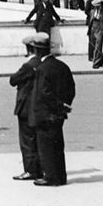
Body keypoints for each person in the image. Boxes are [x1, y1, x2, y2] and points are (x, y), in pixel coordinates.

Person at [27, 32, 76, 186]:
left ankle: (50, 177)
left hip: (45, 114)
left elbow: (44, 93)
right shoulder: (62, 66)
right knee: (58, 146)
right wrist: (65, 105)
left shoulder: (42, 68)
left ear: (38, 50)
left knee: (46, 148)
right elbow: (71, 88)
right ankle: (61, 176)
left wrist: (58, 105)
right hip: (59, 114)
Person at [9, 35, 43, 181]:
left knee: (27, 140)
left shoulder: (28, 65)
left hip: (26, 107)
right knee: (36, 139)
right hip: (37, 106)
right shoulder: (41, 63)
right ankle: (39, 168)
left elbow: (13, 80)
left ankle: (30, 170)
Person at [88, 0, 103, 68]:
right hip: (92, 30)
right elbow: (90, 21)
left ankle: (96, 63)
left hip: (100, 30)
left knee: (98, 47)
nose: (96, 7)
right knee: (93, 46)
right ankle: (101, 59)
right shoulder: (92, 12)